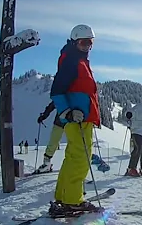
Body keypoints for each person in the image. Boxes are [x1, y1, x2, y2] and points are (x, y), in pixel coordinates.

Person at [47, 24, 101, 215]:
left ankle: (64, 196)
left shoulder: (79, 61)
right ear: (74, 41)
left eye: (90, 43)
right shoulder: (71, 61)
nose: (87, 46)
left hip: (82, 118)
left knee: (73, 156)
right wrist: (67, 112)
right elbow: (57, 91)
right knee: (80, 159)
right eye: (83, 42)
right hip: (77, 119)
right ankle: (72, 200)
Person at [35, 101, 67, 173]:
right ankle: (46, 164)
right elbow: (52, 105)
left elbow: (51, 106)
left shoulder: (62, 93)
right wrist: (44, 116)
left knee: (53, 142)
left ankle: (46, 164)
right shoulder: (62, 94)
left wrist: (44, 116)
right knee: (53, 142)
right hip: (68, 122)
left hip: (62, 122)